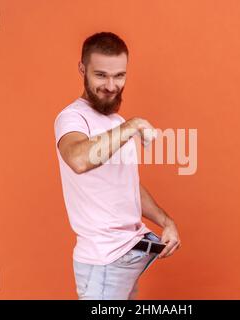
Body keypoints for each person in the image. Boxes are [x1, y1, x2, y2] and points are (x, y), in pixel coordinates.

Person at [54, 31, 181, 299]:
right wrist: (132, 125)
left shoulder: (114, 123)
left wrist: (166, 221)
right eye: (101, 75)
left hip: (127, 255)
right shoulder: (73, 118)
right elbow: (78, 159)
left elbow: (127, 185)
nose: (111, 85)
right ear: (82, 69)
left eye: (119, 76)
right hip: (103, 262)